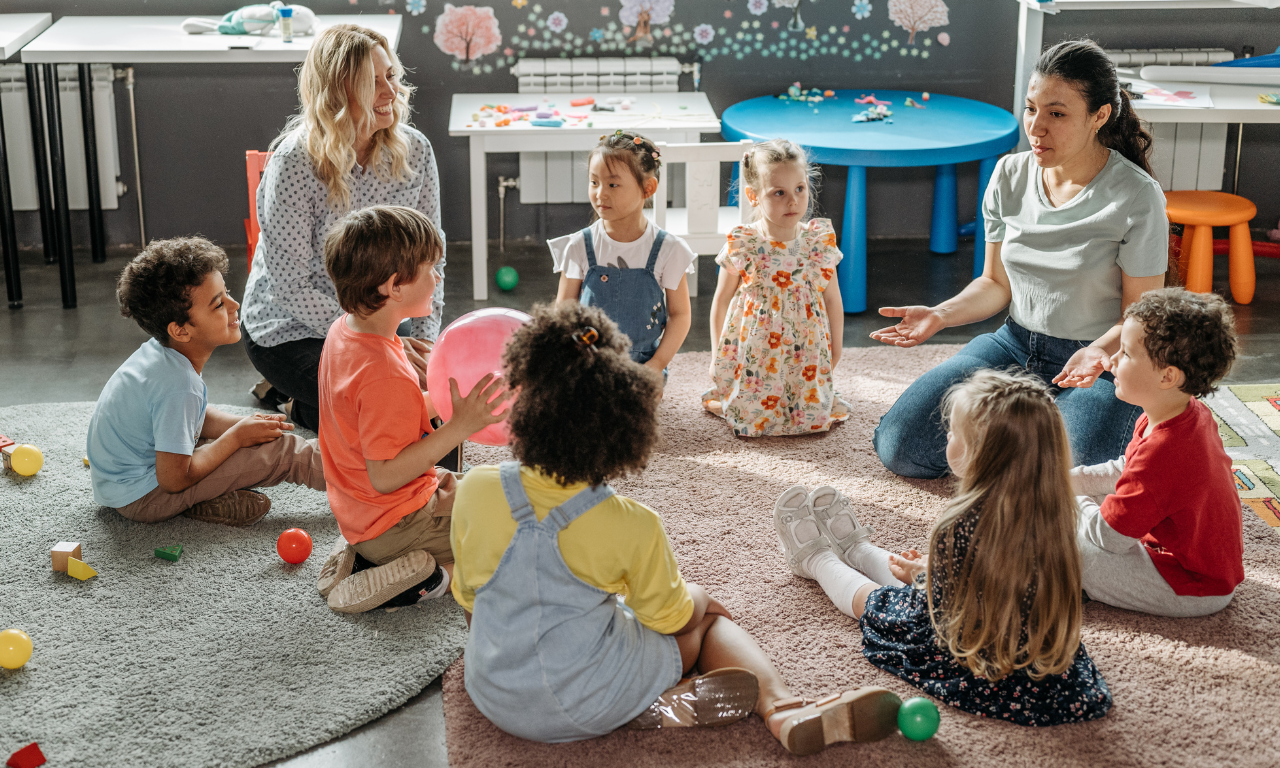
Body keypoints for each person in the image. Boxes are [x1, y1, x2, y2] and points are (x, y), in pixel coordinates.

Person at [450, 302, 901, 755]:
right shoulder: (632, 523)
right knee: (705, 623)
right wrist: (702, 598)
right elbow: (671, 618)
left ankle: (647, 702)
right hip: (589, 699)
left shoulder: (474, 489)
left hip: (494, 694)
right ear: (624, 430)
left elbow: (471, 600)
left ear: (520, 403)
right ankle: (784, 710)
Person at [871, 39, 1170, 477]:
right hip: (1013, 343)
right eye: (1031, 109)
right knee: (901, 446)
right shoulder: (1009, 175)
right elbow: (995, 284)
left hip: (1097, 361)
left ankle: (1024, 440)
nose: (1036, 127)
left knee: (1071, 476)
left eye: (1057, 113)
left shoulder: (1136, 195)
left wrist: (1098, 353)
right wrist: (939, 314)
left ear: (1100, 116)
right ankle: (1025, 438)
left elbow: (1139, 314)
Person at [776, 370, 1112, 727]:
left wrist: (927, 577)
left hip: (984, 658)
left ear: (978, 453)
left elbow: (939, 606)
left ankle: (817, 559)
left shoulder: (963, 523)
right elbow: (996, 580)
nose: (947, 436)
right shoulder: (1061, 509)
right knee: (911, 581)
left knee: (880, 603)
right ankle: (857, 549)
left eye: (953, 433)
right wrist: (931, 572)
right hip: (1043, 665)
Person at [241, 24, 444, 437]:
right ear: (336, 93)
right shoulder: (295, 162)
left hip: (381, 314)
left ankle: (310, 397)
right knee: (386, 415)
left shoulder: (416, 150)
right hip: (290, 330)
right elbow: (290, 286)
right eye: (372, 82)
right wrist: (377, 340)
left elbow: (430, 260)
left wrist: (426, 347)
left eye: (391, 75)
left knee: (421, 404)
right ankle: (295, 399)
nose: (390, 91)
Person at [313, 206, 511, 614]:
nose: (437, 278)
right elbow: (385, 476)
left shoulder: (345, 331)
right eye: (429, 269)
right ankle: (429, 578)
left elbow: (375, 422)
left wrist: (441, 404)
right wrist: (459, 426)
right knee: (516, 540)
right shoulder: (383, 372)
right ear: (394, 287)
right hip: (397, 520)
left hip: (364, 510)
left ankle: (362, 555)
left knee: (496, 488)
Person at [87, 238, 325, 525]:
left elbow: (194, 416)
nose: (235, 304)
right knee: (280, 452)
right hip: (146, 497)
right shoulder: (178, 386)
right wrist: (237, 437)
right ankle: (366, 482)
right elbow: (174, 479)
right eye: (218, 304)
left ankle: (205, 500)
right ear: (180, 330)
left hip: (123, 485)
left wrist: (241, 425)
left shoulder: (162, 354)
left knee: (248, 438)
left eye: (227, 293)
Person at [1072, 288, 1242, 616]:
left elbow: (1109, 539)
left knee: (1081, 556)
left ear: (1167, 376)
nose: (1112, 360)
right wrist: (1067, 481)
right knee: (1083, 504)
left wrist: (1066, 499)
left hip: (1193, 585)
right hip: (1181, 556)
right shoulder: (1181, 413)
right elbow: (1127, 469)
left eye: (1125, 353)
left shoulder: (1165, 451)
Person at [702, 139, 848, 437]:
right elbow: (721, 300)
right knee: (753, 412)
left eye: (799, 189)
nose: (792, 201)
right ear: (753, 196)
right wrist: (718, 354)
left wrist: (837, 347)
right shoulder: (744, 243)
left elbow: (833, 299)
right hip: (758, 351)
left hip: (805, 350)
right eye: (779, 193)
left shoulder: (817, 242)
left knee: (807, 410)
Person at [550, 130, 694, 379]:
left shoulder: (669, 250)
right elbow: (564, 309)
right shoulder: (579, 245)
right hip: (588, 363)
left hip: (642, 367)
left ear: (647, 188)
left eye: (613, 184)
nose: (600, 193)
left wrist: (658, 364)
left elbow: (680, 315)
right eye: (594, 182)